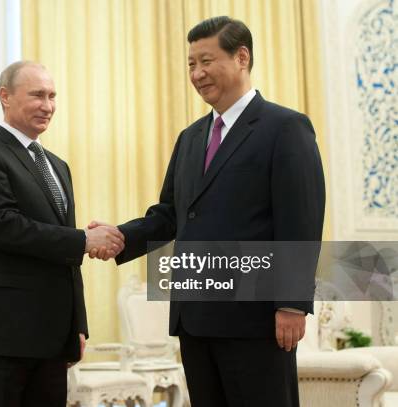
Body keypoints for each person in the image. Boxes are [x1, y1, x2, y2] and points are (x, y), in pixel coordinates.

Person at [90, 16, 325, 406]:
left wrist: (292, 304)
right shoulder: (191, 138)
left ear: (242, 58)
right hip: (195, 317)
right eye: (190, 64)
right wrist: (120, 236)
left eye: (206, 61)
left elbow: (300, 221)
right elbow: (169, 215)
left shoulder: (285, 127)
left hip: (256, 320)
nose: (197, 74)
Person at [0, 61, 124, 407]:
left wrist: (78, 325)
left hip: (51, 337)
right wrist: (82, 240)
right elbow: (3, 227)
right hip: (1, 333)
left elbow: (66, 261)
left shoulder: (58, 166)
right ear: (5, 96)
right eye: (37, 95)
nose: (47, 105)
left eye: (52, 96)